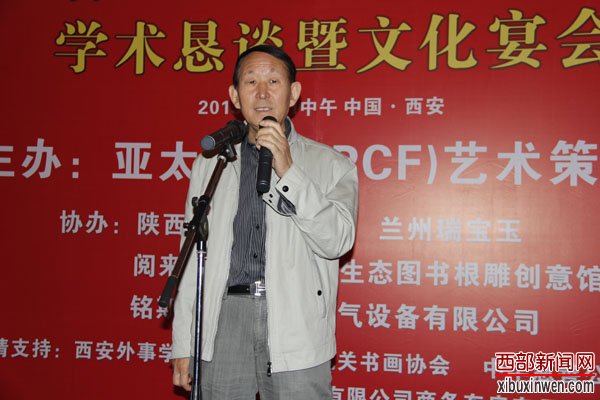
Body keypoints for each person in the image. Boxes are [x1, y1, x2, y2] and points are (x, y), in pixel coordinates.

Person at [171, 44, 358, 399]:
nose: (261, 93)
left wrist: (289, 170)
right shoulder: (211, 164)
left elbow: (337, 241)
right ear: (234, 96)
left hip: (296, 321)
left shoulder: (331, 165)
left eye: (273, 81)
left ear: (294, 93)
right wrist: (184, 340)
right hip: (222, 318)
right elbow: (192, 254)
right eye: (250, 81)